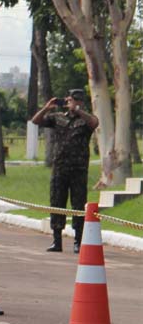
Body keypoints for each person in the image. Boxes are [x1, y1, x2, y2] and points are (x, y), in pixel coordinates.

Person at [30, 89, 99, 253]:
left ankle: (78, 241)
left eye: (74, 100)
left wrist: (78, 111)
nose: (70, 102)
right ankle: (57, 240)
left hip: (78, 169)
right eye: (69, 99)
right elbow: (35, 121)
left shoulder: (85, 119)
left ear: (81, 102)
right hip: (59, 168)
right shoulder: (58, 117)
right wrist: (47, 108)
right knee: (57, 203)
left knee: (78, 204)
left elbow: (94, 123)